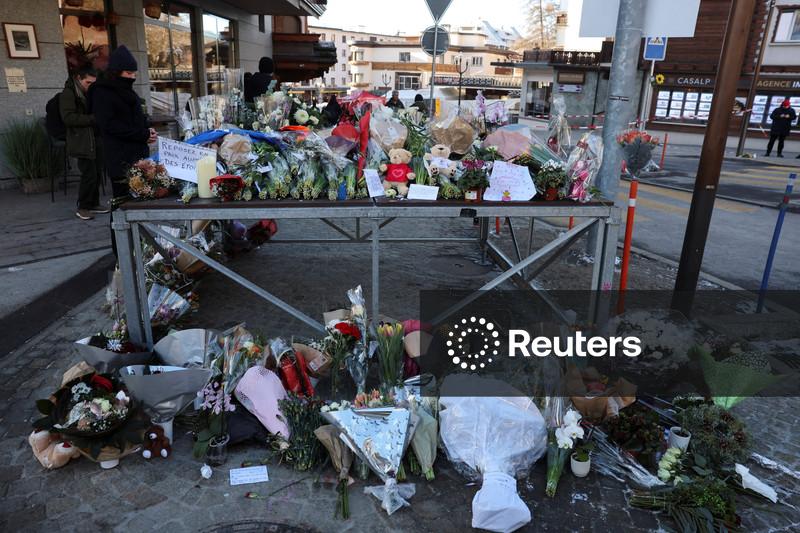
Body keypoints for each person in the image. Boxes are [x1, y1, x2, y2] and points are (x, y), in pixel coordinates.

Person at [90, 45, 156, 199]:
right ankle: (117, 224)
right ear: (116, 72)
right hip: (119, 156)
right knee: (123, 199)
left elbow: (134, 116)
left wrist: (147, 129)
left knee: (140, 196)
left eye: (134, 73)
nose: (132, 77)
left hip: (137, 152)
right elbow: (110, 125)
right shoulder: (102, 93)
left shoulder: (126, 90)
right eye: (128, 73)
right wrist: (142, 134)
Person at [59, 65, 108, 220]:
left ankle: (93, 203)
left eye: (93, 83)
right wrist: (94, 118)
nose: (91, 86)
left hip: (94, 137)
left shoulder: (89, 92)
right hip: (82, 140)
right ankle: (84, 206)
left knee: (97, 172)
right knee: (89, 174)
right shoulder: (68, 94)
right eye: (88, 83)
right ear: (78, 78)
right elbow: (68, 118)